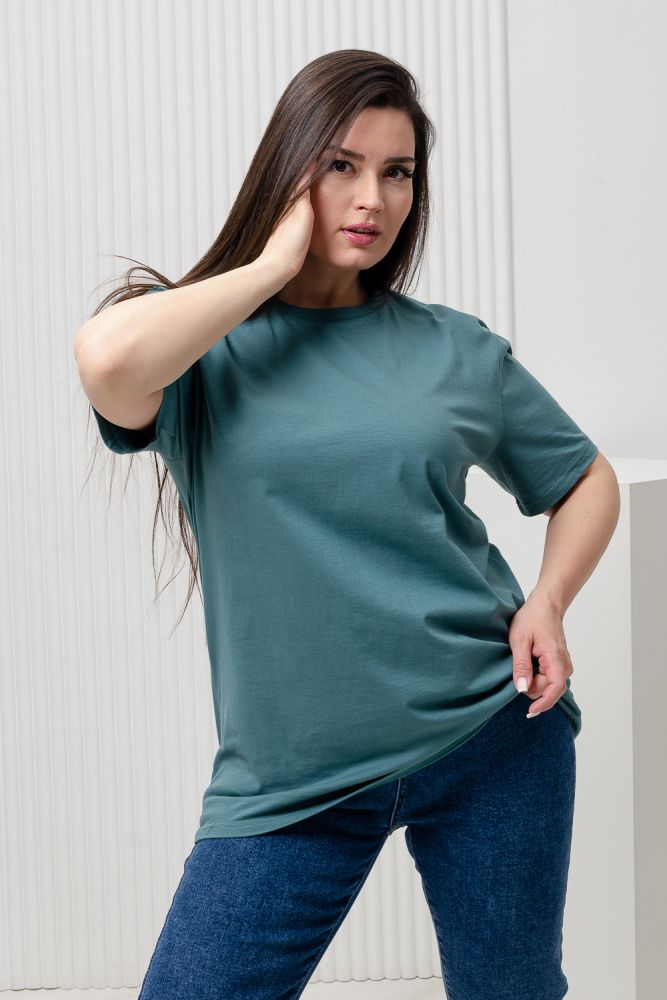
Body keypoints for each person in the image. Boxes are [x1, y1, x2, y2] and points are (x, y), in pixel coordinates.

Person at [74, 49, 619, 1000]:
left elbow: (584, 478)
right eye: (340, 165)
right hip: (291, 782)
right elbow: (105, 363)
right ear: (288, 170)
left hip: (491, 735)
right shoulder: (200, 348)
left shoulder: (453, 349)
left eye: (396, 172)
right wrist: (270, 267)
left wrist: (547, 601)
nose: (372, 198)